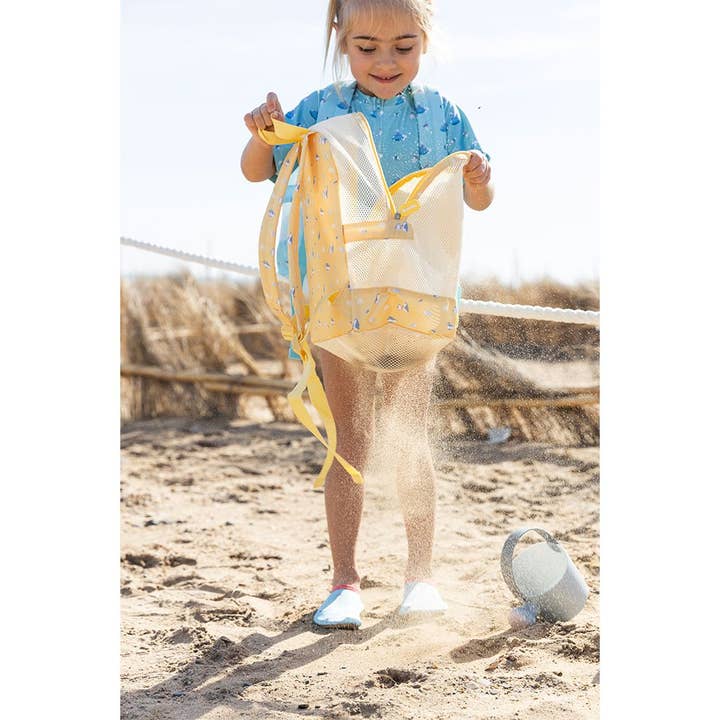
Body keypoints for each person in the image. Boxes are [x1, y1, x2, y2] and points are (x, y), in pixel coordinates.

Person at [241, 0, 494, 629]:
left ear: (425, 39)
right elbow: (256, 171)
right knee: (350, 440)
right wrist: (261, 133)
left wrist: (480, 178)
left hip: (414, 300)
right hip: (341, 299)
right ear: (341, 37)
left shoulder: (443, 114)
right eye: (367, 47)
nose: (386, 61)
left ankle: (420, 579)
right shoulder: (321, 110)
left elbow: (480, 199)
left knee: (410, 438)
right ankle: (345, 583)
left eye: (404, 47)